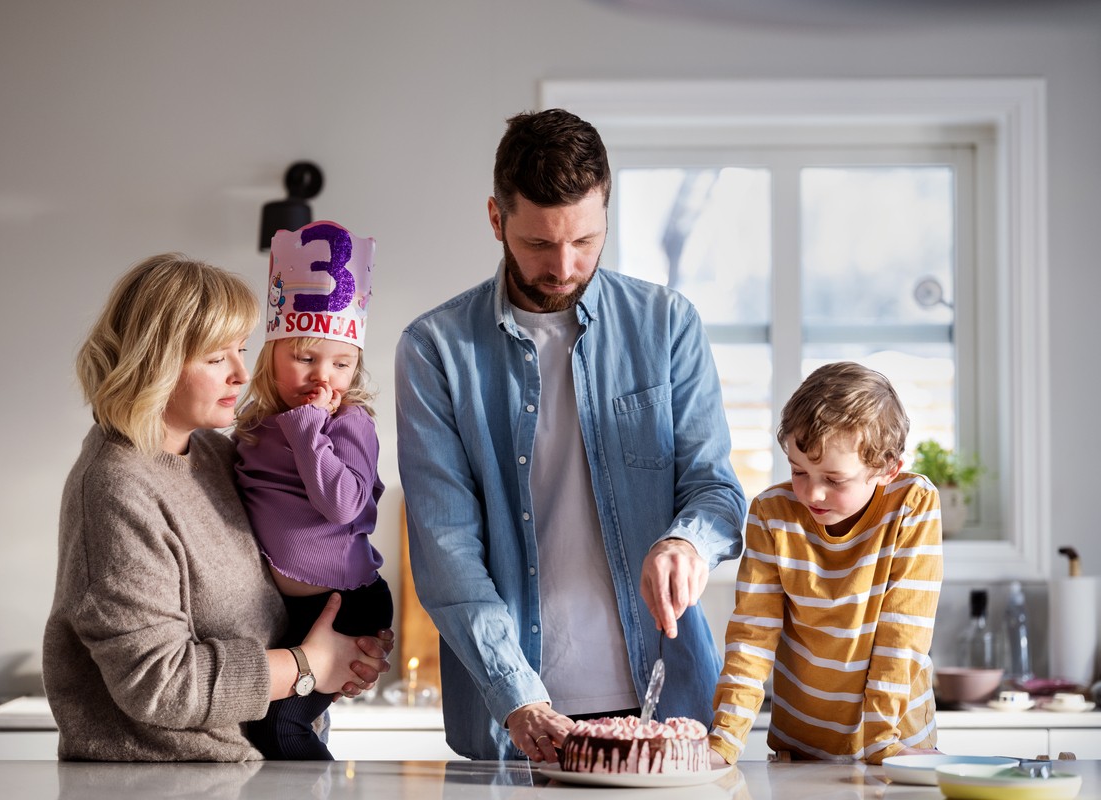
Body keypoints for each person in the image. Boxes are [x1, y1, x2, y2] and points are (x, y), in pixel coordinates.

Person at [394, 108, 748, 762]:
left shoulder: (667, 325)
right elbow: (447, 554)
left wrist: (687, 542)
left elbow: (717, 492)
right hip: (515, 719)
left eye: (585, 241)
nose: (563, 266)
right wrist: (517, 695)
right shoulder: (435, 350)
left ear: (607, 213)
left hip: (666, 709)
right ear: (497, 219)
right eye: (538, 244)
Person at [43, 253, 392, 762]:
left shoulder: (215, 454)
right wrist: (307, 664)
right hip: (161, 782)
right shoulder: (116, 487)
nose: (241, 373)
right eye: (215, 358)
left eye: (242, 350)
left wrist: (333, 667)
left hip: (245, 773)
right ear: (153, 362)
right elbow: (159, 685)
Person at [707, 361, 942, 766]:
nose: (812, 493)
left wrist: (882, 742)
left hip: (898, 743)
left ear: (887, 469)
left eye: (834, 479)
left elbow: (903, 634)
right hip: (803, 745)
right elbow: (752, 635)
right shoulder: (771, 512)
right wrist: (724, 741)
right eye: (799, 471)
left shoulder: (912, 504)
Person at [234, 221, 392, 760]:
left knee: (283, 730)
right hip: (287, 610)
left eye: (341, 364)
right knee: (257, 729)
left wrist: (308, 432)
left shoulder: (348, 424)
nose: (323, 378)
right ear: (270, 355)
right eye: (304, 358)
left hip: (346, 603)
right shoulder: (251, 429)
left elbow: (342, 505)